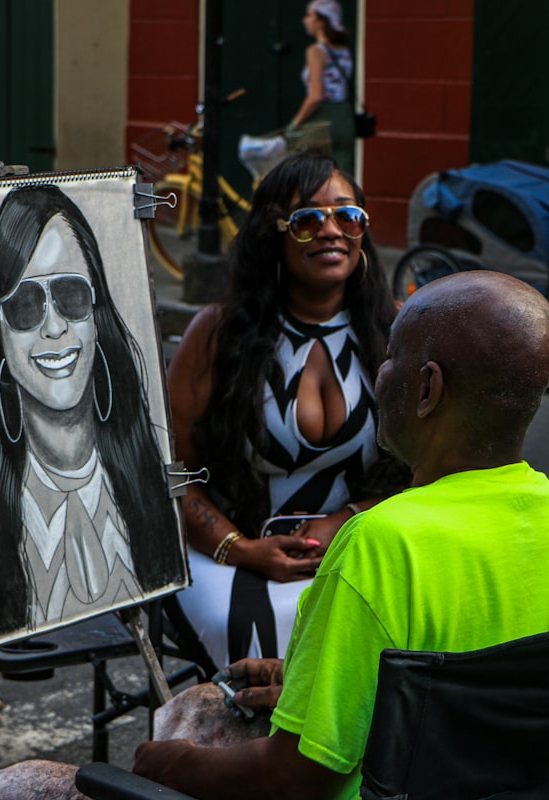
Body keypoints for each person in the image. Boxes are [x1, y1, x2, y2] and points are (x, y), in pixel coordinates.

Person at [133, 270, 549, 799]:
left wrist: (171, 764)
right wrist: (309, 684)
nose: (379, 376)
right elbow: (495, 693)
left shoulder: (381, 544)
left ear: (429, 389)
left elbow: (295, 778)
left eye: (389, 359)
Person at [167, 149, 405, 671]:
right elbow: (170, 475)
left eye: (347, 216)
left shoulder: (399, 333)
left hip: (358, 547)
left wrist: (347, 520)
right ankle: (259, 751)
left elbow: (434, 473)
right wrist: (240, 548)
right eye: (306, 219)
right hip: (227, 552)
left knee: (378, 631)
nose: (330, 230)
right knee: (257, 631)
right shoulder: (216, 334)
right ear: (272, 234)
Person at [0, 184, 185, 645]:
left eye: (72, 296)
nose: (54, 326)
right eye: (24, 305)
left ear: (96, 315)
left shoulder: (145, 466)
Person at [287, 0, 356, 174]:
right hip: (344, 117)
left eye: (309, 15)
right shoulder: (344, 50)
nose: (305, 20)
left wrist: (295, 123)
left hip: (322, 120)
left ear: (321, 21)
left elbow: (316, 96)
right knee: (341, 176)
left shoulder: (316, 51)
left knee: (305, 173)